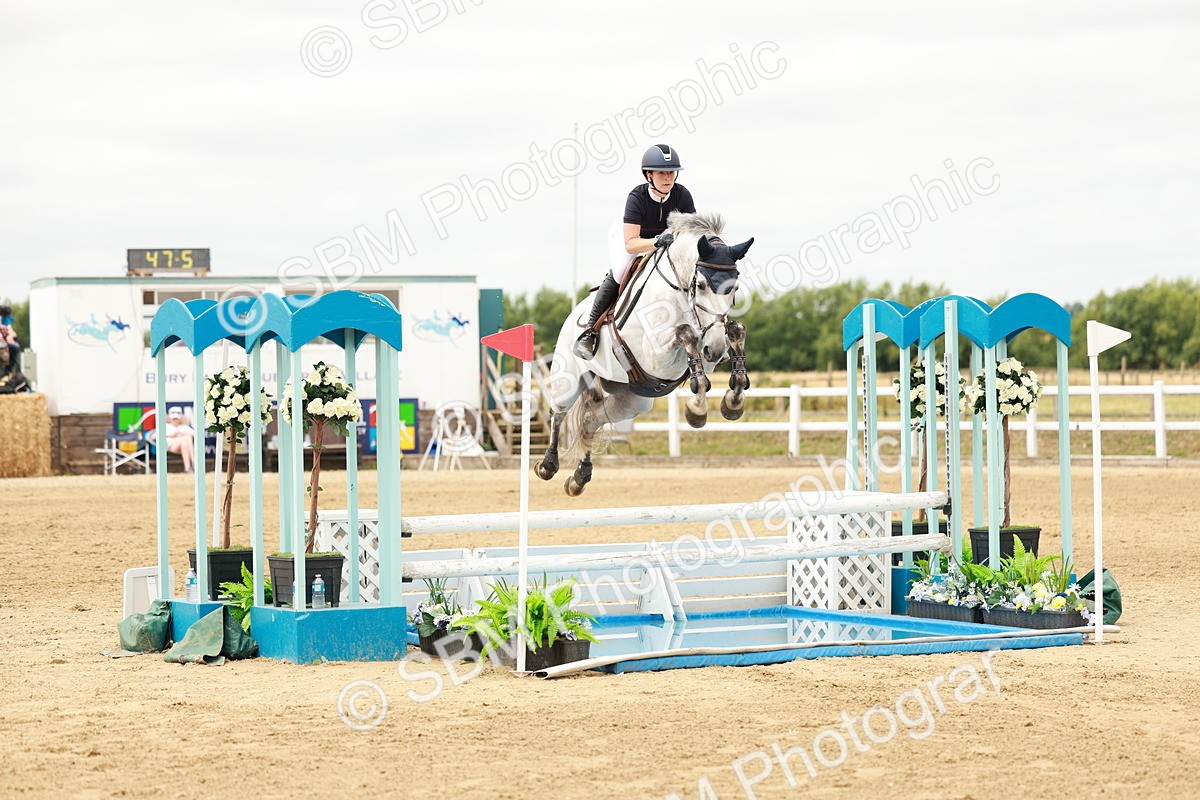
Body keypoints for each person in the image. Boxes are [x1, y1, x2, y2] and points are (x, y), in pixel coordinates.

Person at [573, 143, 697, 359]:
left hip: (666, 238)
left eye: (671, 172)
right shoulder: (637, 197)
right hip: (630, 238)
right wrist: (657, 241)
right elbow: (631, 243)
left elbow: (691, 233)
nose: (668, 178)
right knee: (621, 271)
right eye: (661, 173)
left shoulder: (682, 195)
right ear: (649, 175)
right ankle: (590, 331)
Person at [164, 406, 196, 473]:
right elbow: (153, 436)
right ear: (169, 418)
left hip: (183, 447)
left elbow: (195, 434)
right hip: (170, 447)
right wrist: (171, 435)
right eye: (174, 418)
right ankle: (194, 461)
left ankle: (188, 468)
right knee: (187, 438)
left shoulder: (184, 427)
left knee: (185, 442)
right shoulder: (165, 426)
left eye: (177, 418)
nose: (175, 420)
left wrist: (181, 434)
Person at [0, 305, 19, 373]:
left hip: (3, 343)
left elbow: (12, 332)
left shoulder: (4, 321)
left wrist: (10, 336)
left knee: (15, 346)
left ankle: (7, 371)